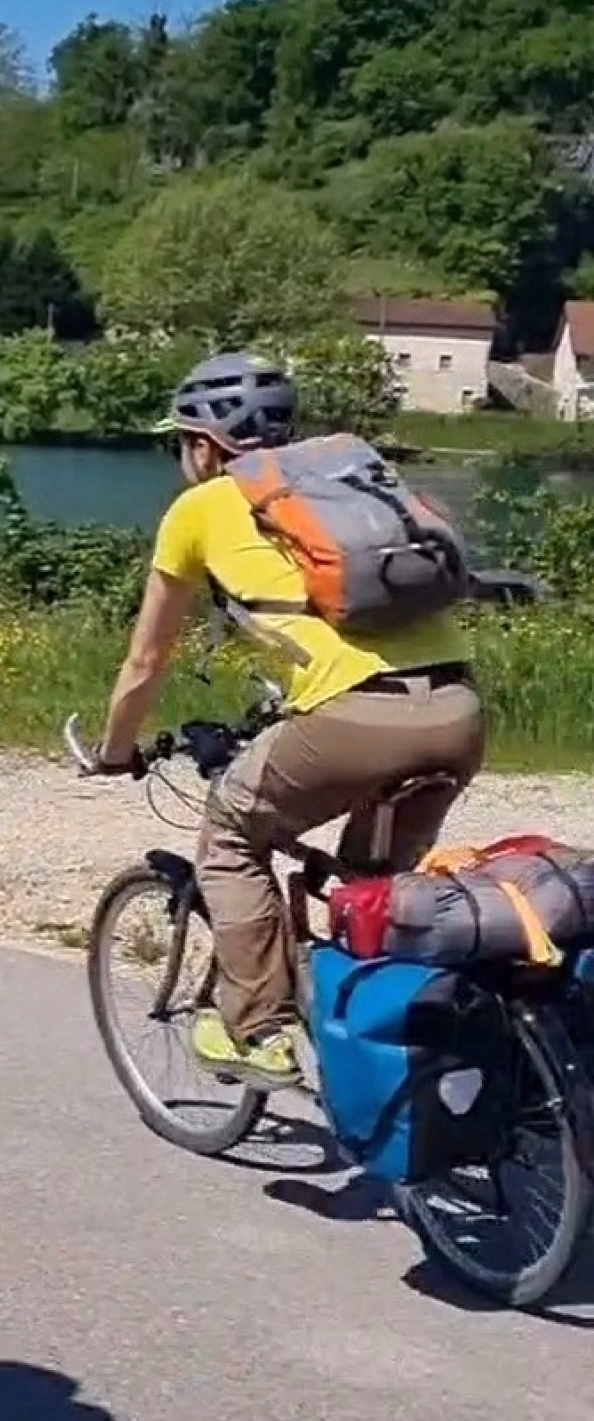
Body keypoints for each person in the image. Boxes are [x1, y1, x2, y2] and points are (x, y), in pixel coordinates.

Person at [90, 354, 483, 1082]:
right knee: (372, 892)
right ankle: (406, 1046)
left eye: (181, 442)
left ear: (204, 445)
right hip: (458, 711)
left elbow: (146, 660)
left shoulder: (200, 508)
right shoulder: (340, 486)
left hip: (355, 720)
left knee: (232, 835)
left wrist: (114, 751)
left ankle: (255, 1030)